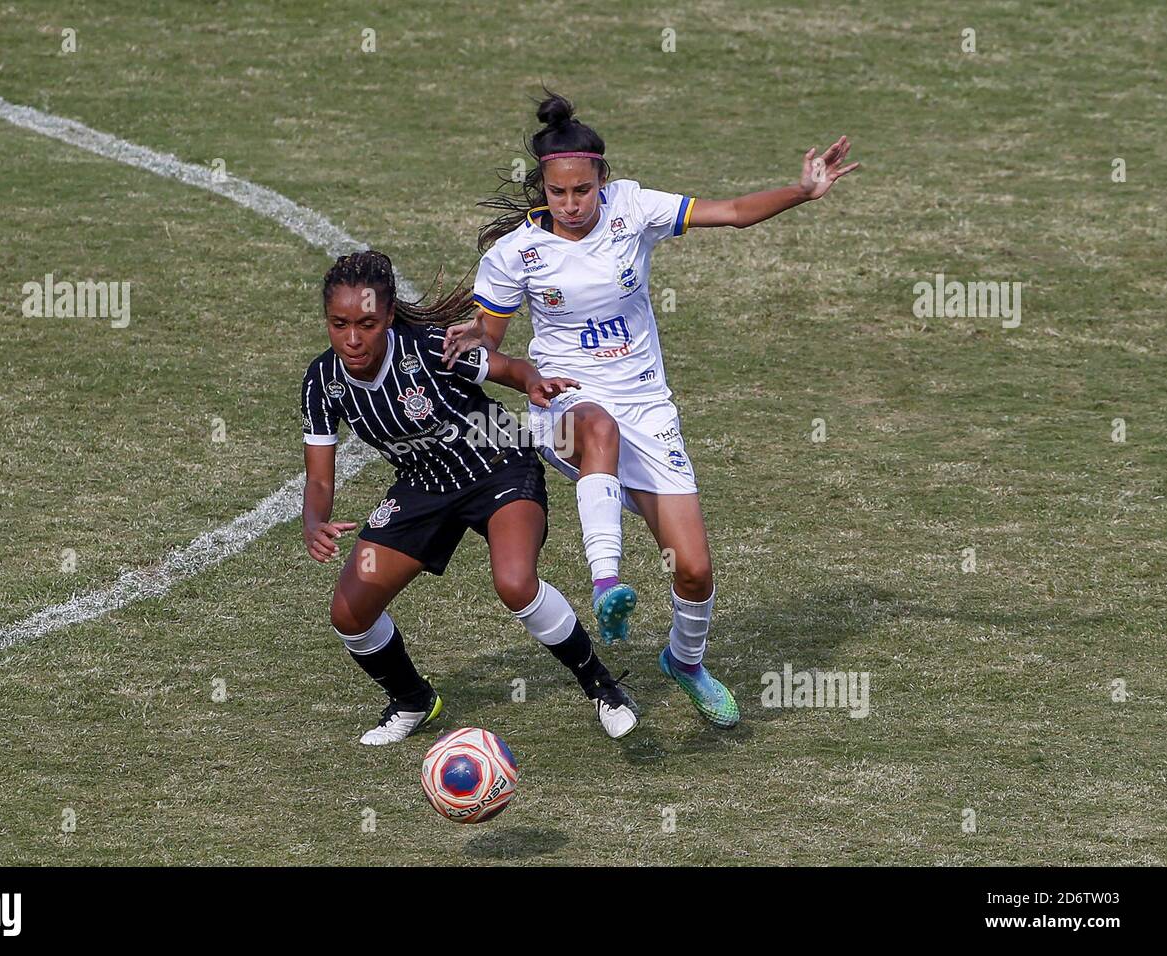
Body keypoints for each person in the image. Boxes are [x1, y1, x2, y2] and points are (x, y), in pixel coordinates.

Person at [443, 91, 859, 728]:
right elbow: (493, 347)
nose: (572, 204)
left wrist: (802, 191)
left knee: (693, 570)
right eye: (558, 194)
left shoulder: (634, 209)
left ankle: (685, 662)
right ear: (543, 189)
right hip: (567, 407)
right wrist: (483, 349)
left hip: (648, 408)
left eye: (582, 190)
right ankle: (607, 583)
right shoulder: (513, 256)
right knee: (599, 429)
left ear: (601, 181)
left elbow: (733, 213)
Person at [302, 250, 640, 744]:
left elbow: (511, 369)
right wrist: (314, 520)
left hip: (498, 461)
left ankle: (603, 688)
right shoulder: (322, 382)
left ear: (389, 317)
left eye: (367, 323)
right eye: (339, 324)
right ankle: (414, 701)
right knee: (350, 612)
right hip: (422, 485)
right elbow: (319, 480)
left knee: (515, 582)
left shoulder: (431, 347)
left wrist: (534, 383)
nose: (352, 339)